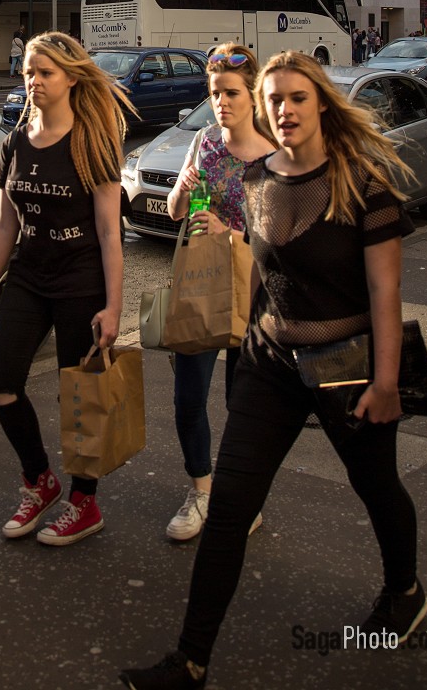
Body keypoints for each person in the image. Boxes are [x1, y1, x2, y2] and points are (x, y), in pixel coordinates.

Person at [121, 51, 425, 690]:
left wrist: (388, 383)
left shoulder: (360, 182)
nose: (283, 111)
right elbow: (261, 274)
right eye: (275, 100)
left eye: (296, 99)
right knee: (229, 505)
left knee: (376, 487)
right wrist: (246, 352)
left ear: (320, 105)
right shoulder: (256, 178)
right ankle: (190, 660)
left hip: (347, 367)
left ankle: (405, 592)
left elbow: (385, 297)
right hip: (269, 365)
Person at [0, 30, 128, 546]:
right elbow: (4, 226)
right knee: (2, 383)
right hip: (29, 278)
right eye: (28, 73)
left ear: (70, 77)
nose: (34, 81)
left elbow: (109, 232)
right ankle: (39, 481)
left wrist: (113, 307)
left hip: (80, 282)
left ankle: (84, 502)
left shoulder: (92, 141)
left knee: (77, 398)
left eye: (44, 73)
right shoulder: (15, 140)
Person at [163, 45, 272, 541]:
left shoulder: (272, 155)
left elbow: (283, 239)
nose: (221, 103)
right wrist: (182, 189)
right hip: (204, 284)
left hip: (256, 290)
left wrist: (231, 233)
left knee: (242, 404)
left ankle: (239, 496)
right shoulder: (205, 141)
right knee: (189, 400)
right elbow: (174, 212)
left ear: (252, 97)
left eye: (230, 93)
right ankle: (201, 490)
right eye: (214, 94)